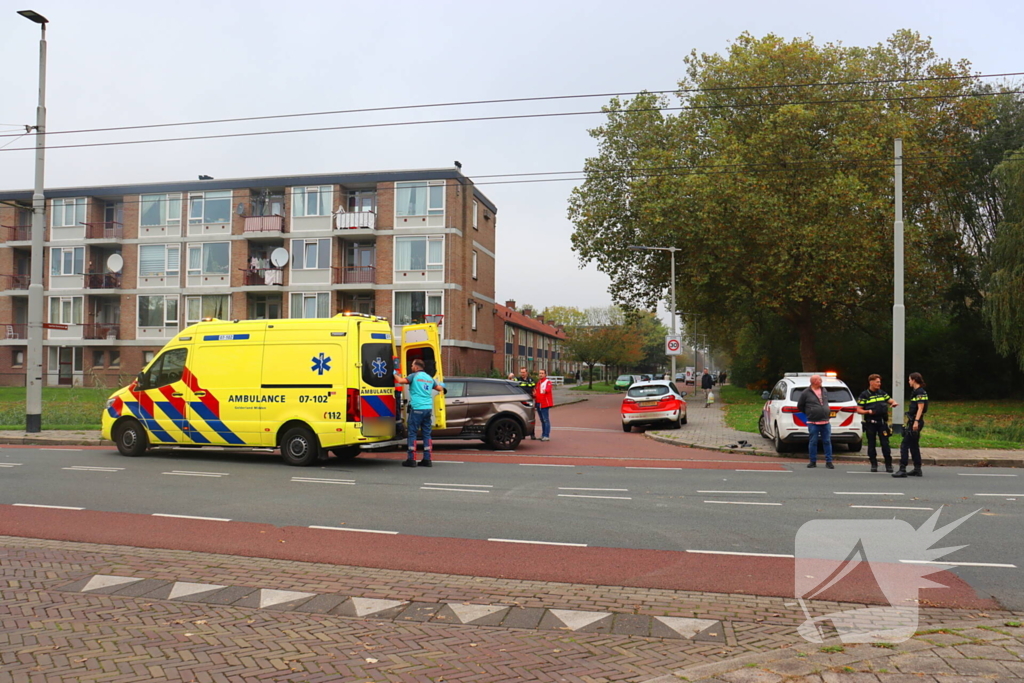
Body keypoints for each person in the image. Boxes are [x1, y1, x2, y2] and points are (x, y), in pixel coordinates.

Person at [394, 358, 445, 468]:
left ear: (416, 367)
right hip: (428, 409)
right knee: (427, 434)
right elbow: (439, 388)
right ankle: (427, 459)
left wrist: (394, 373)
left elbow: (401, 381)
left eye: (412, 365)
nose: (411, 367)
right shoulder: (429, 378)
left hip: (417, 408)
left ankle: (411, 459)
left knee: (412, 433)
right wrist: (442, 384)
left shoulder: (414, 376)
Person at [856, 374, 899, 473]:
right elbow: (859, 410)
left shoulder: (882, 393)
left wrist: (894, 403)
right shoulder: (864, 395)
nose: (879, 384)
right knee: (871, 444)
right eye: (877, 382)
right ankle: (874, 464)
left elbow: (890, 400)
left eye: (879, 382)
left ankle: (888, 465)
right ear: (871, 382)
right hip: (871, 423)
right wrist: (868, 412)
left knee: (885, 444)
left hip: (882, 423)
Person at [893, 372, 928, 478]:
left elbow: (920, 408)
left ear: (914, 380)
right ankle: (917, 469)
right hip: (914, 421)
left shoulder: (920, 392)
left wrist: (916, 421)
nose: (908, 382)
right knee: (914, 446)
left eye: (909, 380)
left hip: (915, 422)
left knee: (905, 445)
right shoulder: (917, 391)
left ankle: (902, 469)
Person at [796, 374, 833, 469]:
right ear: (814, 381)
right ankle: (813, 461)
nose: (821, 381)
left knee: (827, 441)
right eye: (819, 380)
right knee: (813, 441)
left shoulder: (824, 390)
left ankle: (829, 461)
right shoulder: (806, 393)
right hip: (813, 422)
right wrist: (810, 412)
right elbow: (800, 405)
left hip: (825, 421)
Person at [534, 369, 554, 441]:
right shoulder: (538, 382)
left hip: (544, 404)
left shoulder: (547, 382)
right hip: (539, 403)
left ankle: (546, 435)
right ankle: (543, 434)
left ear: (545, 374)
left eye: (542, 373)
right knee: (542, 420)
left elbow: (547, 389)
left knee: (545, 419)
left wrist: (544, 390)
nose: (540, 375)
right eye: (540, 373)